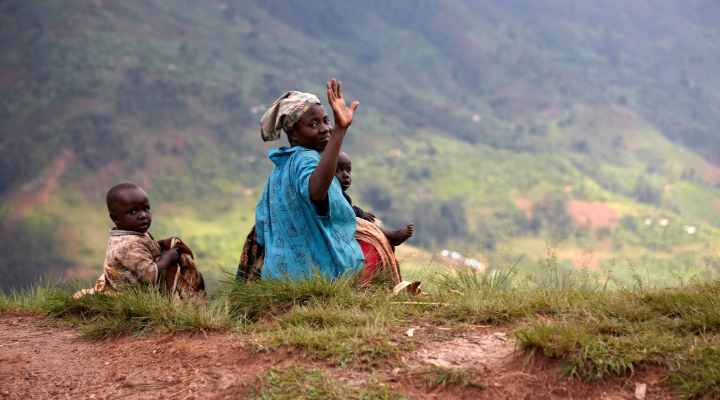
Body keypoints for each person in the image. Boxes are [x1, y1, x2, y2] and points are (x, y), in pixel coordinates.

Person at [74, 183, 205, 301]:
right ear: (116, 218)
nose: (142, 215)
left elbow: (145, 248)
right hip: (130, 295)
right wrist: (168, 257)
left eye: (146, 209)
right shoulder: (128, 244)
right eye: (133, 211)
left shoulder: (134, 233)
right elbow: (149, 275)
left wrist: (160, 244)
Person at [335, 151, 414, 246]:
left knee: (371, 222)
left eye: (348, 170)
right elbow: (342, 211)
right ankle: (391, 235)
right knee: (360, 223)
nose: (346, 175)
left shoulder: (343, 195)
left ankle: (389, 236)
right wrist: (360, 213)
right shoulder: (330, 194)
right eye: (338, 170)